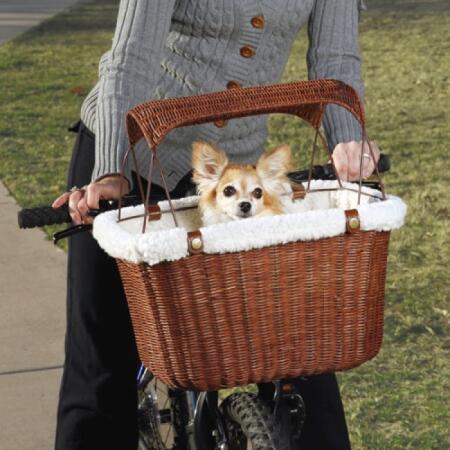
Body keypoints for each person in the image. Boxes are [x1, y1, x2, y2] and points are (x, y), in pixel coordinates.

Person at [52, 1, 379, 449]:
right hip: (133, 159)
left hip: (236, 180)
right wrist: (111, 169)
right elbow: (130, 62)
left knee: (298, 353)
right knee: (101, 368)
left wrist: (348, 145)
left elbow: (336, 61)